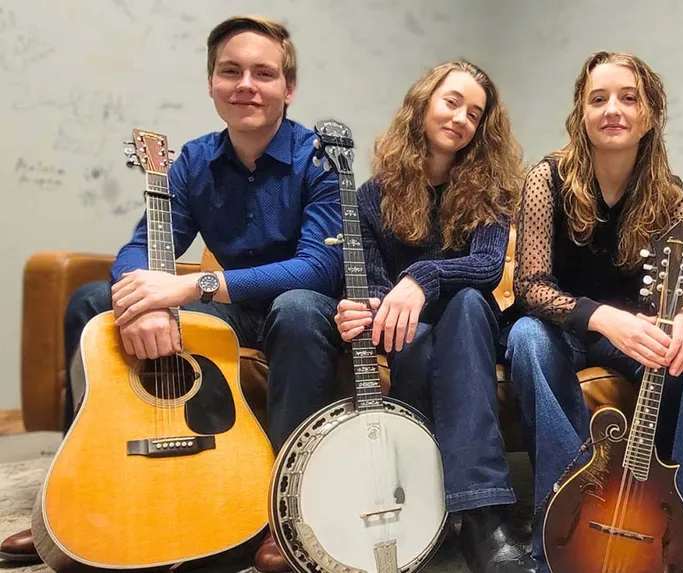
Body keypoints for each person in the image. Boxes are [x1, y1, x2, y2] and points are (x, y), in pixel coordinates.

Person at [0, 15, 345, 573]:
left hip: (299, 311)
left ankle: (287, 508)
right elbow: (136, 250)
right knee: (92, 302)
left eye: (264, 73)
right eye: (230, 71)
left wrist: (190, 285)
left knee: (298, 308)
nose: (246, 85)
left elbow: (319, 267)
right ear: (211, 82)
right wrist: (144, 297)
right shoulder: (192, 161)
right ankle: (71, 500)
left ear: (289, 87)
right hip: (229, 314)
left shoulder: (319, 160)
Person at [502, 51, 683, 573]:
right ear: (581, 113)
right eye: (598, 99)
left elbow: (681, 287)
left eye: (628, 98)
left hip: (637, 328)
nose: (612, 109)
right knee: (525, 338)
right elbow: (529, 287)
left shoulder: (672, 194)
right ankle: (564, 525)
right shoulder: (544, 180)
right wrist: (603, 317)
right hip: (562, 325)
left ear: (650, 114)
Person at [333, 60, 532, 573]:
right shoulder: (371, 197)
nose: (461, 118)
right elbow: (374, 286)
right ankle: (429, 504)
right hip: (407, 330)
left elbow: (488, 268)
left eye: (475, 113)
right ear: (424, 103)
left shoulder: (493, 191)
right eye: (451, 102)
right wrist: (378, 304)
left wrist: (422, 277)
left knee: (465, 307)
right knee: (417, 339)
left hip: (472, 321)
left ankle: (484, 513)